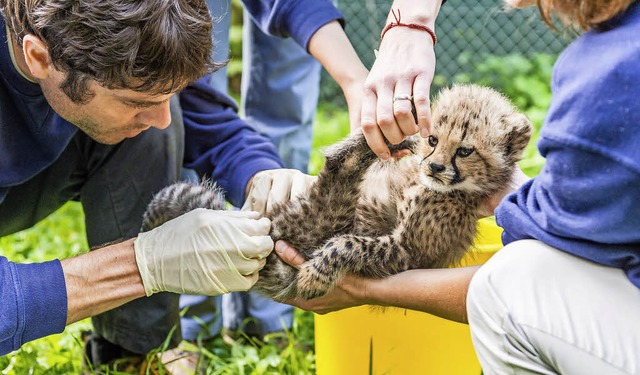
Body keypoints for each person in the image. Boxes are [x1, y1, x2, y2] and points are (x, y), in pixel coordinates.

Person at [0, 0, 367, 370]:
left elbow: (202, 120)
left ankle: (130, 349)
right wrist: (143, 264)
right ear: (39, 57)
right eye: (137, 101)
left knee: (152, 121)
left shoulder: (125, 47)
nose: (163, 119)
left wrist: (263, 176)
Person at [277, 0, 640, 373]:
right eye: (433, 142)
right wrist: (412, 23)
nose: (435, 162)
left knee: (505, 281)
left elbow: (561, 251)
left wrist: (361, 287)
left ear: (512, 149)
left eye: (464, 151)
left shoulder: (610, 74)